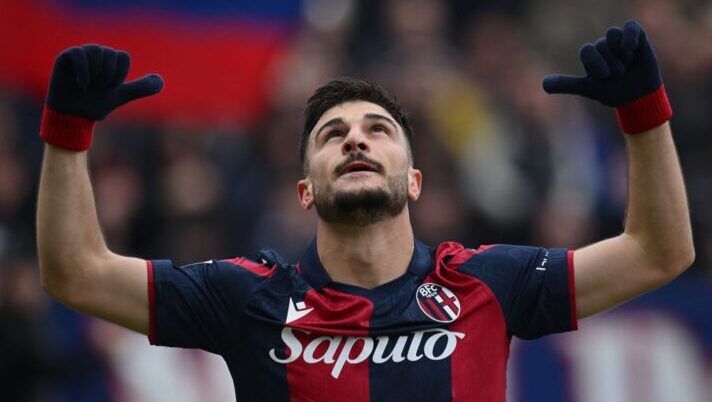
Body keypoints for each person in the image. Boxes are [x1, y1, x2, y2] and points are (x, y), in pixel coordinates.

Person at [36, 21, 694, 401]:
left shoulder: (490, 282)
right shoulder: (244, 297)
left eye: (378, 129)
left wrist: (643, 116)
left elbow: (658, 251)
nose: (355, 138)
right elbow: (77, 273)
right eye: (331, 135)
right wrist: (68, 134)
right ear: (304, 191)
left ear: (413, 181)